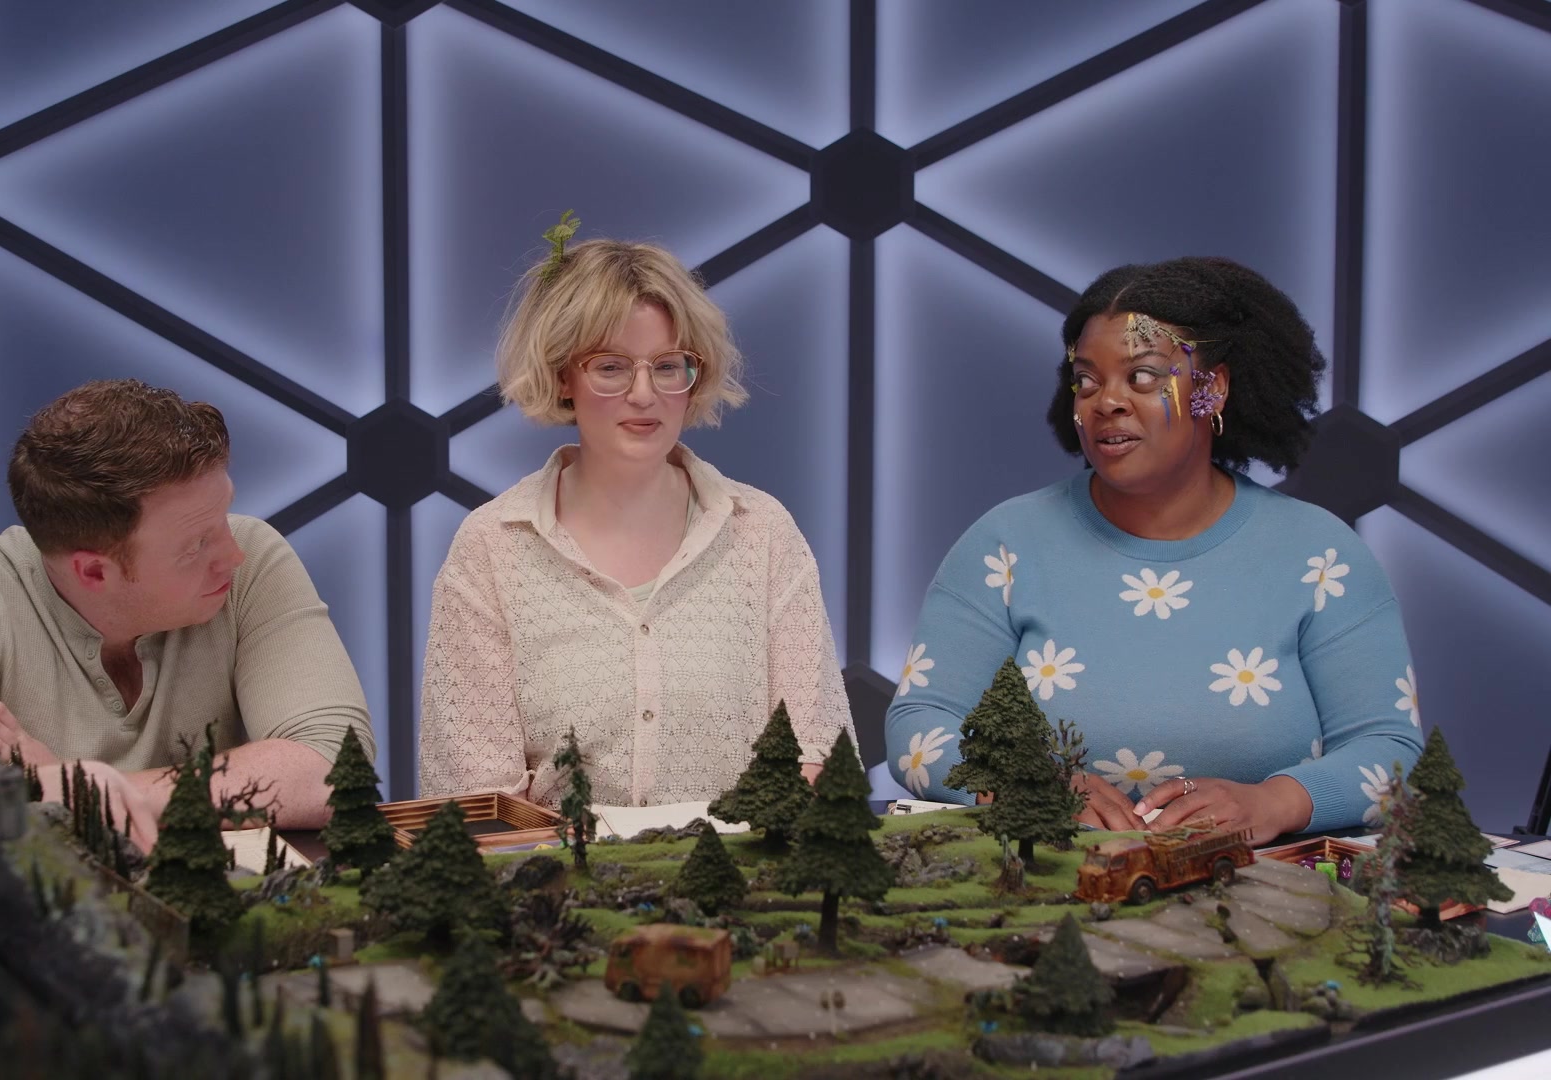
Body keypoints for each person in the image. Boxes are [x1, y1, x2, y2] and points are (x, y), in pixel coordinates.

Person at [885, 257, 1422, 845]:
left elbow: (1390, 751)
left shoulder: (1321, 556)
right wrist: (1024, 784)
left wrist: (1274, 802)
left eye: (1141, 377)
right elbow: (918, 728)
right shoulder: (1005, 544)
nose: (1106, 402)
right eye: (1087, 380)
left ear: (1211, 389)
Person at [417, 227, 854, 807]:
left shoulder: (762, 531)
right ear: (562, 375)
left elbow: (817, 755)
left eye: (668, 366)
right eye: (611, 367)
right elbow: (476, 797)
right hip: (552, 866)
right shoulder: (492, 546)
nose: (644, 394)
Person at [0, 379, 373, 847]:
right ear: (94, 572)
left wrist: (71, 789)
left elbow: (334, 769)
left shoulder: (254, 562)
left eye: (223, 515)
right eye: (196, 544)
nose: (233, 553)